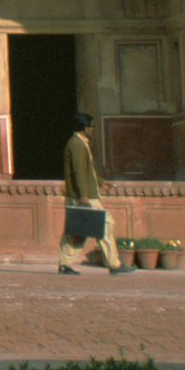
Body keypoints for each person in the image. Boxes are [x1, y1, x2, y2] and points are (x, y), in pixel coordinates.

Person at [58, 111, 128, 275]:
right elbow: (79, 171)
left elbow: (87, 171)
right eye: (92, 127)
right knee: (105, 224)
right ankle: (113, 263)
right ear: (85, 128)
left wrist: (100, 182)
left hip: (82, 194)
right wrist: (84, 196)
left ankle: (65, 263)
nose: (93, 130)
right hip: (83, 195)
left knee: (77, 232)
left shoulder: (80, 143)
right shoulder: (76, 145)